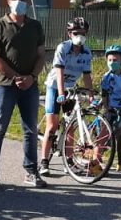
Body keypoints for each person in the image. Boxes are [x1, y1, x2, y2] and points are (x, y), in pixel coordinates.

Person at [0, 0, 46, 189]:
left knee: (30, 130)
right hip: (5, 86)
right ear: (8, 2)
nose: (18, 2)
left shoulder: (35, 26)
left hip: (30, 86)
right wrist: (15, 76)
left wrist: (32, 76)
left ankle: (31, 171)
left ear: (27, 2)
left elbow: (41, 56)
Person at [38, 16, 94, 176]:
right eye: (76, 33)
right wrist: (61, 94)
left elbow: (87, 76)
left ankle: (69, 160)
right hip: (55, 87)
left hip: (71, 88)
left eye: (83, 33)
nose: (80, 36)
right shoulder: (62, 48)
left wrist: (91, 95)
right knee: (53, 125)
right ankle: (44, 161)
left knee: (71, 126)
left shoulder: (86, 51)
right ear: (69, 34)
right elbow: (60, 72)